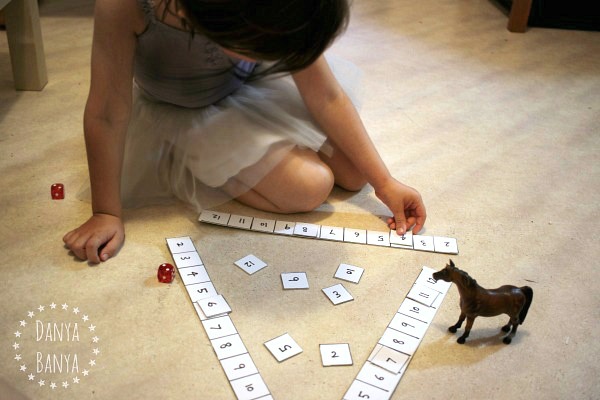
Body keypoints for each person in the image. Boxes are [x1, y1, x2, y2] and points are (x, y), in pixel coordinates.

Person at [63, 0, 426, 263]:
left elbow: (327, 96)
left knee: (356, 171)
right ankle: (187, 156)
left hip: (251, 89)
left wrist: (385, 182)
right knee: (310, 186)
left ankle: (266, 151)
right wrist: (106, 212)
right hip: (187, 112)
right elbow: (107, 112)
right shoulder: (125, 6)